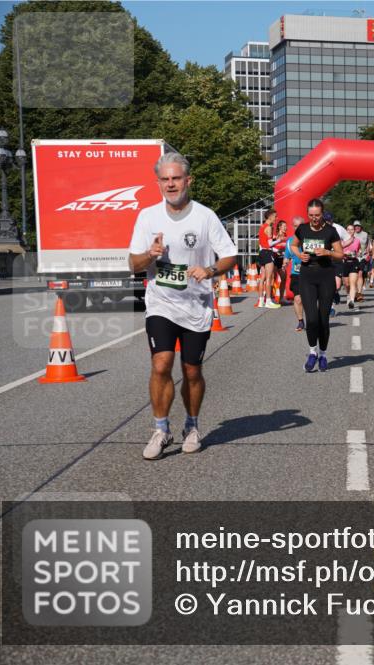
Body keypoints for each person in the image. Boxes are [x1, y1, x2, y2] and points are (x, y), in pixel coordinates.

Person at [128, 151, 237, 460]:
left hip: (196, 306)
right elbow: (133, 264)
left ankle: (191, 425)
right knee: (161, 363)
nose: (171, 184)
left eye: (176, 178)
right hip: (161, 303)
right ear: (158, 182)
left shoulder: (205, 216)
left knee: (191, 371)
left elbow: (229, 254)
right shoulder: (148, 217)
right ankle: (161, 429)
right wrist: (150, 255)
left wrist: (212, 270)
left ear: (188, 180)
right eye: (165, 179)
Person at [290, 198, 343, 372]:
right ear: (308, 214)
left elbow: (340, 254)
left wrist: (328, 252)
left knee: (323, 320)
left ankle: (323, 354)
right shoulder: (303, 229)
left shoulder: (330, 231)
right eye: (311, 215)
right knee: (311, 319)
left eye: (317, 215)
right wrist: (300, 255)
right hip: (307, 276)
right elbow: (294, 245)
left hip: (326, 276)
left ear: (322, 213)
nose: (314, 218)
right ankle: (312, 352)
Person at [285, 215, 307, 332]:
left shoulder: (309, 239)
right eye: (295, 226)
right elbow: (286, 257)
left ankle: (314, 319)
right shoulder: (289, 242)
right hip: (296, 273)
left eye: (300, 226)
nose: (298, 228)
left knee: (309, 299)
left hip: (310, 273)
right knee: (298, 299)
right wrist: (284, 263)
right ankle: (300, 321)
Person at [256, 210, 279, 308]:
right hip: (267, 252)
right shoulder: (269, 227)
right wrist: (279, 240)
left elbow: (262, 242)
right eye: (275, 216)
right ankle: (268, 301)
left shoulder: (262, 226)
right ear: (270, 216)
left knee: (262, 278)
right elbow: (269, 244)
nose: (276, 218)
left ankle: (261, 301)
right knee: (269, 278)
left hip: (261, 252)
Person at [341, 223, 362, 309]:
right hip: (345, 262)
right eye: (348, 229)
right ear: (346, 231)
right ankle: (348, 294)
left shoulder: (357, 240)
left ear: (354, 231)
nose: (350, 231)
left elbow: (359, 250)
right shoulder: (342, 241)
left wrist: (359, 253)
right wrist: (344, 253)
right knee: (347, 284)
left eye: (352, 229)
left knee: (353, 283)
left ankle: (352, 300)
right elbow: (338, 251)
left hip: (354, 262)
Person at [269, 220, 289, 305]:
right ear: (279, 227)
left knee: (284, 278)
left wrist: (285, 253)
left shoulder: (286, 236)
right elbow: (269, 246)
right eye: (284, 226)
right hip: (274, 258)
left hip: (281, 259)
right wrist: (277, 250)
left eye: (286, 226)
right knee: (272, 278)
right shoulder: (275, 236)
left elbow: (286, 248)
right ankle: (270, 298)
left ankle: (281, 298)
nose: (286, 228)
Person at [352, 221, 370, 302]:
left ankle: (359, 294)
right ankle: (354, 292)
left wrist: (368, 253)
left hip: (363, 257)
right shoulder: (351, 233)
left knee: (360, 274)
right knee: (354, 275)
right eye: (355, 226)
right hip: (353, 257)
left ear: (361, 226)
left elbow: (368, 244)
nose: (357, 227)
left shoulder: (365, 234)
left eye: (358, 226)